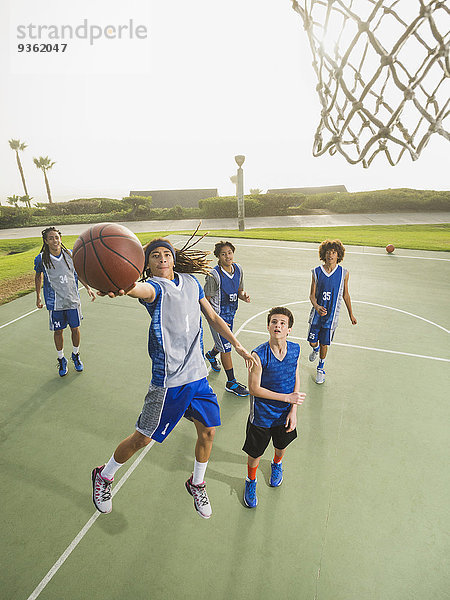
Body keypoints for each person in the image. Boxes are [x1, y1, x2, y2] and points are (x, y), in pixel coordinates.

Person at [91, 237, 256, 519]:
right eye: (155, 256)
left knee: (208, 431)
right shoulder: (154, 288)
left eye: (167, 254)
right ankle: (104, 476)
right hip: (169, 381)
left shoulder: (191, 283)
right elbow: (135, 288)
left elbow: (213, 317)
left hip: (197, 376)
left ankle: (197, 482)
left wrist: (237, 345)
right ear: (147, 264)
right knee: (142, 438)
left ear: (174, 258)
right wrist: (119, 283)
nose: (163, 259)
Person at [243, 306, 305, 508]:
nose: (278, 325)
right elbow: (253, 389)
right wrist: (287, 398)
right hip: (262, 415)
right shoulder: (258, 355)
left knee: (281, 446)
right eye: (274, 322)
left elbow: (295, 376)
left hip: (285, 414)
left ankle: (277, 465)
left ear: (289, 329)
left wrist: (293, 410)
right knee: (255, 455)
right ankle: (251, 481)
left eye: (282, 323)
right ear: (268, 326)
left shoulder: (295, 349)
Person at [34, 226, 96, 377]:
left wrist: (87, 288)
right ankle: (61, 359)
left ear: (60, 238)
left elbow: (78, 273)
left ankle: (75, 355)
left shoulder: (70, 254)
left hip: (72, 299)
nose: (54, 240)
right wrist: (38, 296)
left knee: (75, 329)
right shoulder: (41, 258)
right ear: (46, 241)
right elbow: (38, 277)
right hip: (55, 302)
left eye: (56, 237)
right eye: (51, 238)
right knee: (58, 331)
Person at [204, 240, 251, 397]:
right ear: (218, 257)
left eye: (229, 253)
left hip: (230, 314)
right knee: (227, 348)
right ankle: (231, 382)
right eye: (223, 254)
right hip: (217, 318)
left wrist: (244, 296)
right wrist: (214, 320)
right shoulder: (214, 275)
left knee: (223, 343)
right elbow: (206, 300)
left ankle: (211, 355)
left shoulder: (238, 269)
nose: (227, 256)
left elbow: (239, 291)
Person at [307, 239, 357, 384]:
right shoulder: (316, 272)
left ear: (338, 255)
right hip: (317, 315)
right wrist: (316, 306)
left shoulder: (344, 273)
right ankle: (315, 350)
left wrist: (351, 314)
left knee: (324, 343)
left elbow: (345, 295)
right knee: (312, 342)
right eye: (328, 252)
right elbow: (312, 295)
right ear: (324, 254)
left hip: (331, 317)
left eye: (334, 252)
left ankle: (320, 368)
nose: (331, 255)